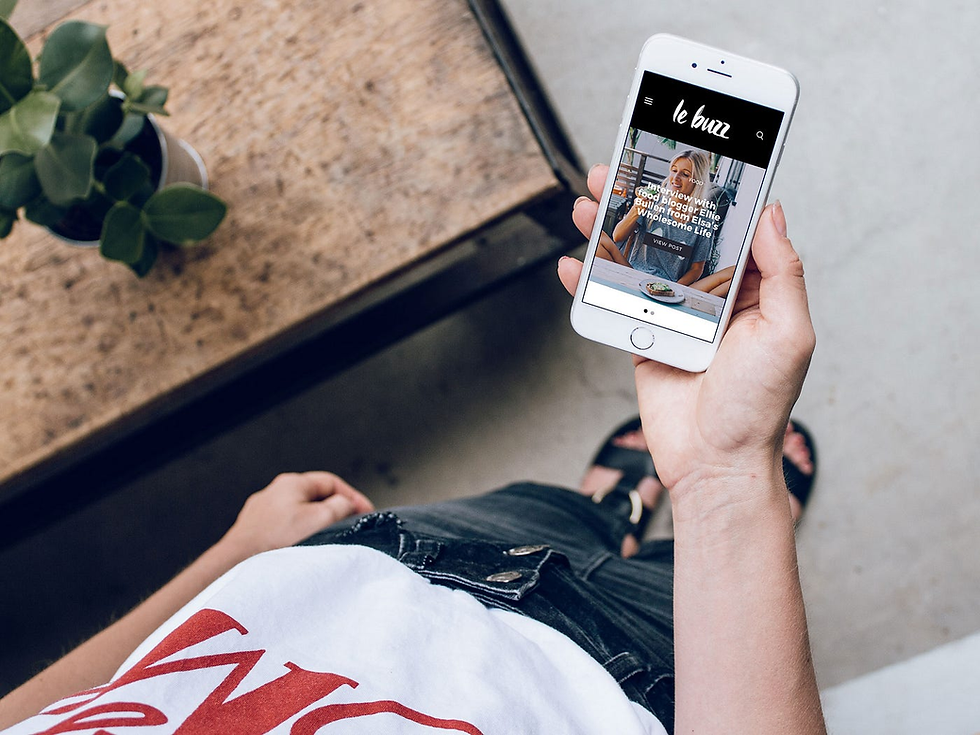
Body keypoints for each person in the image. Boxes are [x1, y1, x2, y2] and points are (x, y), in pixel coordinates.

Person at [0, 163, 825, 734]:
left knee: (552, 509)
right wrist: (723, 477)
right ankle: (655, 507)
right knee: (689, 578)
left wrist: (232, 558)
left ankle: (616, 503)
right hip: (628, 691)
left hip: (381, 565)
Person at [612, 150, 714, 286]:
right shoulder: (654, 200)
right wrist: (636, 210)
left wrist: (673, 289)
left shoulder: (704, 222)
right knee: (599, 237)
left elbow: (697, 268)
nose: (675, 177)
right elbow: (617, 236)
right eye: (674, 170)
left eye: (685, 174)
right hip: (632, 273)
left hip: (666, 285)